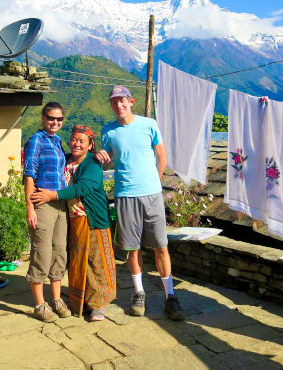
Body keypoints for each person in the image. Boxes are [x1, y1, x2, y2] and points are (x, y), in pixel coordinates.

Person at [96, 85, 185, 321]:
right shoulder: (108, 131)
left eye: (122, 100)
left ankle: (170, 296)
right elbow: (105, 164)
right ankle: (139, 293)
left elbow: (162, 156)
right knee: (132, 249)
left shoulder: (149, 124)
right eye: (114, 102)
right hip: (125, 195)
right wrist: (101, 158)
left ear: (131, 101)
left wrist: (153, 182)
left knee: (161, 246)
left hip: (152, 194)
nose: (119, 105)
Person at [30, 125, 117, 322]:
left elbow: (84, 187)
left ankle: (98, 306)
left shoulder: (93, 162)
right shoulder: (66, 159)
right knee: (78, 263)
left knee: (96, 264)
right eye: (74, 139)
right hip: (73, 220)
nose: (77, 143)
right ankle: (82, 300)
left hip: (93, 219)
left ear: (90, 145)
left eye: (82, 141)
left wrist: (53, 195)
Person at [23, 102, 71, 322]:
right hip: (42, 203)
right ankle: (39, 304)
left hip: (60, 203)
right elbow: (29, 174)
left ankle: (56, 299)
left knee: (59, 251)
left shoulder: (58, 142)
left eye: (59, 119)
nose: (55, 123)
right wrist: (30, 208)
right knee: (42, 253)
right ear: (43, 118)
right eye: (51, 118)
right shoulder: (37, 140)